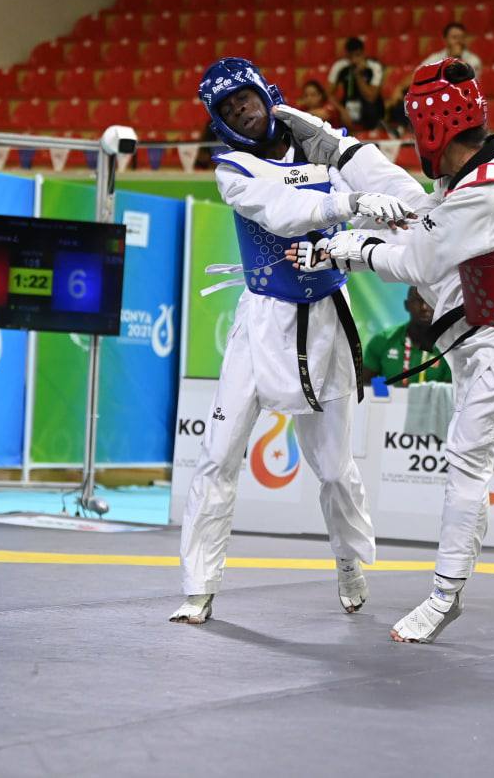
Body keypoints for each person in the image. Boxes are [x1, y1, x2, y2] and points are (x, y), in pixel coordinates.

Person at [276, 58, 494, 643]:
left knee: (468, 457)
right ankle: (337, 150)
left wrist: (344, 248)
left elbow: (414, 262)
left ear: (433, 131)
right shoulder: (479, 173)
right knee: (402, 203)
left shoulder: (484, 194)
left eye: (417, 131)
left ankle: (446, 595)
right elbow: (415, 205)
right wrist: (344, 155)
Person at [169, 57, 412, 626]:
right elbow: (282, 212)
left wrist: (363, 205)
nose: (242, 111)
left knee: (334, 468)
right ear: (219, 122)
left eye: (246, 98)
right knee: (217, 456)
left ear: (266, 93)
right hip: (262, 322)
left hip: (327, 319)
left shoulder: (325, 146)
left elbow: (386, 201)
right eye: (228, 109)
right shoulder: (232, 169)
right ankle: (199, 586)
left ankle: (349, 562)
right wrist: (348, 204)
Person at [363, 286, 453, 385]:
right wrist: (385, 392)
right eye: (418, 301)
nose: (424, 307)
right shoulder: (383, 340)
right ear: (407, 305)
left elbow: (451, 390)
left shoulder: (450, 347)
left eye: (430, 300)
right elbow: (366, 382)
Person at [327, 37, 386, 130]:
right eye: (350, 57)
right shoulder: (339, 66)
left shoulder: (374, 67)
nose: (354, 60)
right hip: (347, 105)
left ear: (363, 53)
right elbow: (328, 94)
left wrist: (358, 75)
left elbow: (371, 97)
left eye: (357, 55)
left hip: (369, 106)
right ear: (346, 55)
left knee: (371, 109)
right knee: (329, 111)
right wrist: (342, 110)